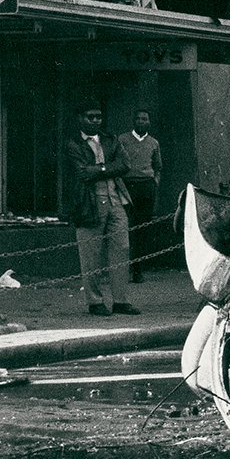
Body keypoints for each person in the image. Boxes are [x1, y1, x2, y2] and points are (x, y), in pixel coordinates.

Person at [64, 103, 138, 317]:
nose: (95, 121)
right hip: (89, 203)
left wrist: (98, 170)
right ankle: (95, 301)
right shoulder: (73, 144)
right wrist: (108, 168)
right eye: (90, 117)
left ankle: (121, 301)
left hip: (116, 201)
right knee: (91, 254)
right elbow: (81, 173)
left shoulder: (110, 139)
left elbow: (125, 164)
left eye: (98, 117)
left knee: (121, 249)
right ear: (80, 118)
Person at [117, 109, 162, 283]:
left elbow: (158, 167)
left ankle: (138, 270)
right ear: (133, 121)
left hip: (146, 187)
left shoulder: (153, 143)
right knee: (127, 226)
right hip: (128, 186)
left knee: (143, 227)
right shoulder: (123, 140)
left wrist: (154, 183)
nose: (141, 122)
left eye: (145, 119)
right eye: (138, 119)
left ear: (149, 122)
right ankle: (122, 268)